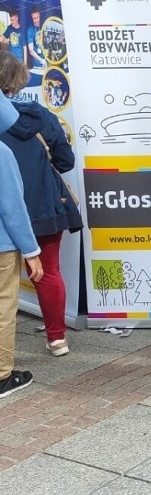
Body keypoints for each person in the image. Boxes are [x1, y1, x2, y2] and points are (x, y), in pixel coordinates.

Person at [0, 52, 82, 357]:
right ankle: (57, 338)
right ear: (19, 79)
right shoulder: (43, 116)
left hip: (3, 210)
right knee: (48, 271)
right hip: (45, 205)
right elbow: (65, 159)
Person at [0, 89, 43, 398]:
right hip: (2, 247)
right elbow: (13, 208)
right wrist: (32, 251)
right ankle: (2, 375)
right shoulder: (2, 153)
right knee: (3, 308)